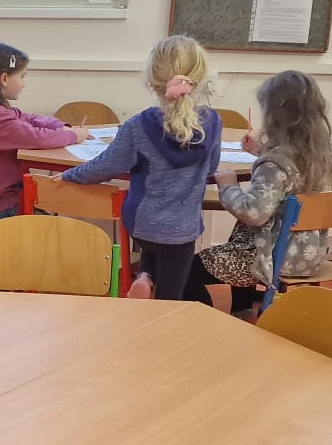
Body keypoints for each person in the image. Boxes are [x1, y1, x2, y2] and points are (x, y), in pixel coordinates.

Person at [55, 35, 221, 301]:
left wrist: (71, 174)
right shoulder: (212, 122)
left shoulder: (138, 125)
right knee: (170, 295)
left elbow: (106, 166)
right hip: (182, 230)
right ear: (199, 78)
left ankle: (145, 275)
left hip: (143, 227)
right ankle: (155, 290)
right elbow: (211, 167)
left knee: (153, 236)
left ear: (153, 81)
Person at [184, 71, 332, 318]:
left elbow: (253, 213)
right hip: (307, 253)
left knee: (187, 271)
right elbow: (287, 177)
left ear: (274, 115)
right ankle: (242, 310)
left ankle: (210, 322)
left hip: (269, 258)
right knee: (243, 239)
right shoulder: (319, 154)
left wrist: (228, 186)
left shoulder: (274, 164)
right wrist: (264, 151)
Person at [0, 42, 85, 227]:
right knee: (52, 229)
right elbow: (35, 138)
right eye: (22, 76)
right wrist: (74, 136)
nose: (24, 83)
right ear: (4, 79)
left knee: (49, 221)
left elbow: (28, 118)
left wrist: (61, 127)